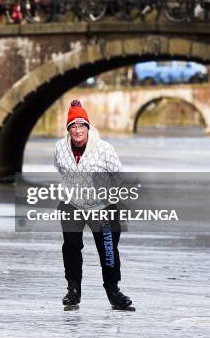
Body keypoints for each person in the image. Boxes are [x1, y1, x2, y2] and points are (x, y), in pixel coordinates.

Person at [54, 100, 134, 311]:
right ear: (68, 129)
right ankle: (73, 291)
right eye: (73, 126)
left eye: (82, 126)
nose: (78, 130)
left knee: (108, 250)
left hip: (103, 207)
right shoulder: (60, 148)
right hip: (71, 204)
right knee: (70, 247)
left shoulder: (104, 149)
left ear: (88, 127)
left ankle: (113, 291)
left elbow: (118, 175)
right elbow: (60, 168)